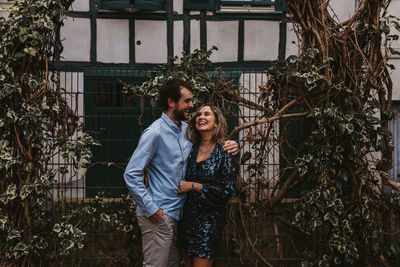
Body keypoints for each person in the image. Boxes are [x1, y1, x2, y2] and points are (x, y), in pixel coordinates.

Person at [123, 79, 238, 267]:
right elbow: (131, 174)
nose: (192, 106)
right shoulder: (154, 133)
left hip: (179, 215)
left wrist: (233, 144)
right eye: (187, 101)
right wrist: (152, 209)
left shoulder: (188, 131)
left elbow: (210, 146)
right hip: (159, 213)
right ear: (171, 102)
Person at [178, 104, 238, 267]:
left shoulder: (225, 151)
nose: (201, 117)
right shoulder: (190, 148)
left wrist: (194, 186)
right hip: (187, 219)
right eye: (198, 115)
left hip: (209, 223)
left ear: (217, 122)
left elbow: (226, 191)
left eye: (207, 114)